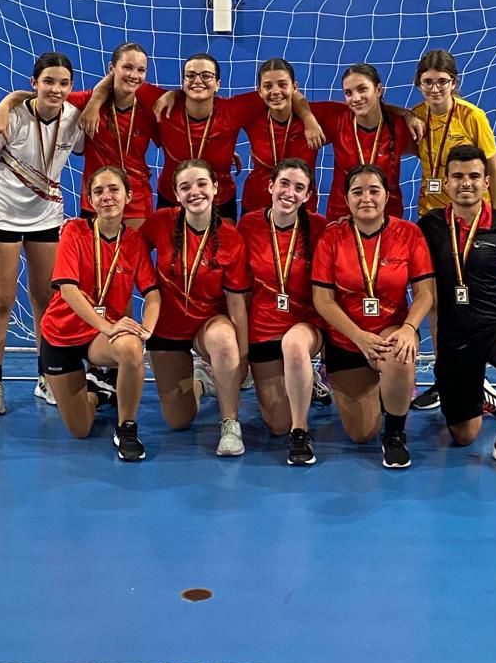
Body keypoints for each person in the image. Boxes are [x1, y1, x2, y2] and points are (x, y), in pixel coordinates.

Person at [417, 144, 496, 473]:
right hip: (454, 336)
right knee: (464, 436)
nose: (466, 183)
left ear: (487, 182)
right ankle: (483, 399)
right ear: (445, 183)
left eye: (474, 176)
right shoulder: (429, 226)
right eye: (457, 176)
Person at [0, 52, 85, 417]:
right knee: (1, 301)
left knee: (46, 299)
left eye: (64, 83)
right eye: (48, 81)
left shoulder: (74, 119)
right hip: (3, 217)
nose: (56, 89)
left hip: (47, 218)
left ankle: (45, 376)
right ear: (34, 83)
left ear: (71, 86)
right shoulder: (13, 116)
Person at [94, 52, 324, 222]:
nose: (198, 81)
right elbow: (120, 78)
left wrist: (308, 118)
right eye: (191, 76)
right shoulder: (164, 105)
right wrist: (94, 103)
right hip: (173, 196)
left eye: (206, 76)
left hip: (220, 199)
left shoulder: (234, 110)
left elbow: (281, 91)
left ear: (218, 84)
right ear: (183, 82)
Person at [312, 165, 434, 468]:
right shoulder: (332, 237)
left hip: (390, 328)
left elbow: (425, 294)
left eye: (374, 191)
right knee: (361, 434)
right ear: (346, 199)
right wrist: (358, 337)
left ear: (387, 196)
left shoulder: (409, 233)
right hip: (346, 338)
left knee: (398, 353)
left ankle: (394, 434)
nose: (366, 198)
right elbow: (322, 300)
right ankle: (385, 390)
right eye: (357, 192)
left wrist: (409, 328)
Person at [38, 166, 161, 462]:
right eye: (98, 191)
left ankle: (126, 428)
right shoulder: (74, 231)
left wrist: (146, 329)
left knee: (132, 346)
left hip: (97, 338)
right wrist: (107, 326)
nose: (107, 196)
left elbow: (153, 294)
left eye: (114, 189)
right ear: (90, 200)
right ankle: (97, 390)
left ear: (128, 196)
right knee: (81, 429)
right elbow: (68, 290)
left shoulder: (134, 242)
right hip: (61, 336)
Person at [409, 48, 496, 412]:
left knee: (471, 301)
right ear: (418, 83)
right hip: (433, 222)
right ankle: (443, 377)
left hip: (471, 220)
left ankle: (476, 377)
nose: (435, 88)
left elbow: (493, 168)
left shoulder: (471, 116)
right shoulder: (416, 116)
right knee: (435, 301)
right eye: (427, 82)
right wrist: (404, 114)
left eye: (442, 82)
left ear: (455, 82)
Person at [140, 158, 252, 456]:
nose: (195, 192)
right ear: (176, 194)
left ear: (215, 188)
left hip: (208, 324)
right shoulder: (161, 222)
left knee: (223, 338)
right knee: (178, 421)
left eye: (202, 184)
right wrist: (85, 229)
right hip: (168, 327)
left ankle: (230, 424)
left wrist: (242, 357)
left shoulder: (231, 237)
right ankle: (203, 381)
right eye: (185, 187)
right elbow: (128, 248)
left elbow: (236, 304)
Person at [0, 41, 160, 228]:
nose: (133, 75)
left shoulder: (150, 103)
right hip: (97, 197)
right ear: (111, 68)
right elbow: (42, 96)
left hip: (136, 197)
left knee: (132, 247)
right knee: (95, 248)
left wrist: (95, 100)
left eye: (141, 70)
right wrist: (5, 104)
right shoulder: (85, 101)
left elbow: (178, 98)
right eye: (127, 67)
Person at [238, 159, 328, 466]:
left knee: (294, 344)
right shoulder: (248, 224)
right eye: (284, 184)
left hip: (304, 324)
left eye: (299, 188)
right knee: (277, 425)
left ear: (308, 195)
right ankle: (303, 383)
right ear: (270, 186)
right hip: (262, 328)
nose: (289, 193)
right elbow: (241, 289)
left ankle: (300, 432)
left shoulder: (319, 227)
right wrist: (241, 349)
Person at [307, 64, 421, 221]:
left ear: (379, 90)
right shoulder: (337, 119)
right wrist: (307, 119)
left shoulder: (400, 126)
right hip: (342, 217)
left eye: (362, 89)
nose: (355, 98)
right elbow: (290, 101)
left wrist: (407, 114)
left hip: (388, 217)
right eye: (348, 93)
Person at [240, 59, 321, 215]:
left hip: (301, 204)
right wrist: (224, 149)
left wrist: (308, 117)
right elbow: (218, 115)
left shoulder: (316, 118)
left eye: (283, 85)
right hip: (256, 203)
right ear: (259, 91)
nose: (276, 91)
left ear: (295, 87)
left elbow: (358, 113)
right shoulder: (251, 114)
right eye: (268, 86)